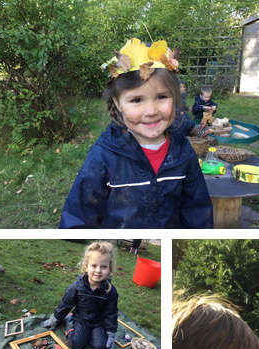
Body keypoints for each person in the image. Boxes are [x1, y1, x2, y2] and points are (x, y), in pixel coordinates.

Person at [58, 38, 212, 229]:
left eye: (161, 97)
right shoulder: (104, 155)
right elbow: (77, 220)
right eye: (137, 100)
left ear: (175, 97)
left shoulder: (183, 151)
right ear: (117, 103)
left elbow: (197, 212)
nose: (150, 111)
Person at [40, 242, 119, 349]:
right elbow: (66, 304)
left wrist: (111, 334)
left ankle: (91, 334)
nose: (98, 270)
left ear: (109, 269)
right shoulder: (77, 286)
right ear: (86, 266)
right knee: (77, 344)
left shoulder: (110, 291)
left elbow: (111, 313)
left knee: (101, 346)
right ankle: (68, 320)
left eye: (103, 267)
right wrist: (56, 318)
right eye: (94, 266)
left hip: (98, 322)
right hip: (81, 318)